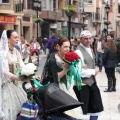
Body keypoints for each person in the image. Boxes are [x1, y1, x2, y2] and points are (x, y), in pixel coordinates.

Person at [42, 38, 82, 119]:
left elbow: (73, 74)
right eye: (65, 47)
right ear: (58, 47)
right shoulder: (53, 59)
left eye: (69, 47)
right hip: (57, 88)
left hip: (67, 87)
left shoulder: (67, 57)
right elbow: (54, 77)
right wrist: (66, 68)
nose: (68, 49)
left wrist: (73, 65)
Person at [74, 30, 104, 120]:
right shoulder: (78, 52)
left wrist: (91, 69)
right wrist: (93, 71)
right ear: (81, 39)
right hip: (82, 86)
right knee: (82, 112)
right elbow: (79, 72)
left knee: (96, 109)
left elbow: (90, 65)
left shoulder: (90, 49)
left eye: (90, 38)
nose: (88, 40)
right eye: (85, 39)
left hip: (92, 83)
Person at [0, 30, 27, 120]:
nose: (17, 39)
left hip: (16, 85)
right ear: (8, 39)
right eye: (15, 37)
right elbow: (4, 72)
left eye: (18, 37)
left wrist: (31, 75)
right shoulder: (3, 53)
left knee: (21, 108)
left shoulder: (16, 51)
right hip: (6, 85)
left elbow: (22, 66)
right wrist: (19, 78)